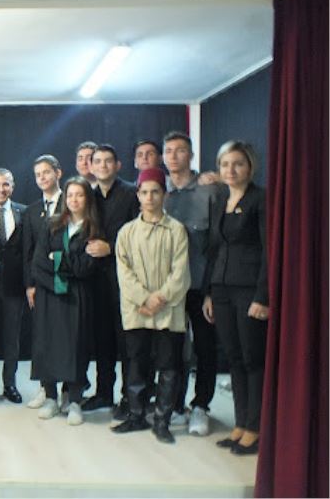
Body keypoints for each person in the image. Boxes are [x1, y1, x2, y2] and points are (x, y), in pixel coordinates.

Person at [112, 168, 190, 444]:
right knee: (136, 363)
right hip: (137, 310)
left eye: (155, 192)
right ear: (138, 195)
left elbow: (180, 273)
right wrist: (144, 299)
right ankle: (136, 415)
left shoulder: (176, 230)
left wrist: (159, 299)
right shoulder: (127, 232)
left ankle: (162, 421)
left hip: (168, 309)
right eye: (144, 192)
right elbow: (124, 272)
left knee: (169, 365)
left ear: (164, 195)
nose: (149, 197)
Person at [202, 140, 268, 456]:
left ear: (250, 167)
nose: (231, 170)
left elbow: (270, 251)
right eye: (225, 164)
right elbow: (213, 250)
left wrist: (263, 296)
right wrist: (209, 293)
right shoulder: (220, 200)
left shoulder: (261, 199)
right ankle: (240, 424)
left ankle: (256, 427)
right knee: (234, 358)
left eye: (238, 164)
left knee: (253, 359)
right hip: (222, 289)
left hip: (250, 290)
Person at [27, 176, 103, 425]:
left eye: (79, 195)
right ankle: (50, 397)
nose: (74, 200)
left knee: (76, 347)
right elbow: (38, 263)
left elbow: (85, 268)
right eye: (70, 195)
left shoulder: (93, 229)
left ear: (87, 199)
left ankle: (74, 400)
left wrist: (57, 258)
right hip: (50, 295)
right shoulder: (52, 225)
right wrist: (61, 275)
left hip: (78, 296)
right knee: (47, 344)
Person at [162, 131, 219, 436]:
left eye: (180, 150)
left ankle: (201, 406)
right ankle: (175, 405)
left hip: (200, 285)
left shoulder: (210, 191)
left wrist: (211, 291)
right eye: (168, 151)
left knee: (206, 347)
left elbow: (218, 244)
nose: (173, 156)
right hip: (170, 288)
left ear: (191, 155)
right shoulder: (160, 194)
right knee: (173, 349)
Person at [82, 144, 140, 419]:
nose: (103, 166)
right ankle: (104, 392)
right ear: (91, 167)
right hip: (95, 279)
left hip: (125, 278)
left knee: (126, 341)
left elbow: (140, 234)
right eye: (98, 161)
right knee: (101, 339)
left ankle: (130, 397)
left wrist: (111, 247)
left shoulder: (131, 193)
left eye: (108, 161)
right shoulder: (89, 197)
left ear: (118, 165)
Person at [22, 154, 66, 409]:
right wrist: (30, 285)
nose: (42, 178)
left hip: (67, 279)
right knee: (43, 338)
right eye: (38, 175)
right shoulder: (31, 211)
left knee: (67, 336)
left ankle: (69, 391)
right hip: (41, 283)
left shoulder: (71, 202)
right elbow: (27, 252)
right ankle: (47, 390)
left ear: (58, 173)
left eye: (46, 172)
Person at [0, 168, 27, 404]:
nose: (1, 189)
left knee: (12, 338)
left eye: (5, 184)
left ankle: (10, 384)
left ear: (12, 186)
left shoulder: (24, 212)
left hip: (14, 286)